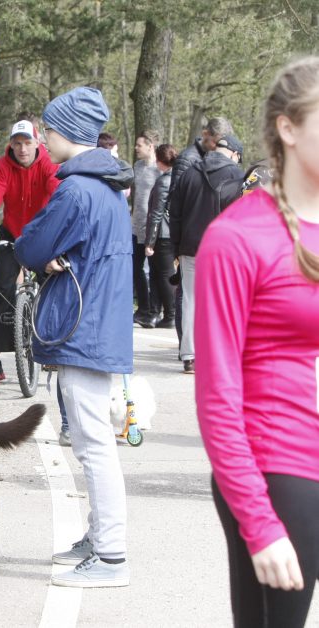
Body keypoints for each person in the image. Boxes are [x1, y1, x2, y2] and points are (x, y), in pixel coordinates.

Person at [195, 56, 319, 627]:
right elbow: (218, 395)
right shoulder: (238, 237)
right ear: (288, 129)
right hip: (276, 469)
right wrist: (260, 521)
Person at [15, 86, 134, 588]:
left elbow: (30, 245)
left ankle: (109, 556)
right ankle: (97, 539)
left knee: (93, 445)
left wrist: (41, 255)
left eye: (48, 128)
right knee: (92, 441)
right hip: (99, 325)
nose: (43, 137)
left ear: (68, 133)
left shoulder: (77, 189)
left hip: (84, 330)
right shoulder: (104, 187)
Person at [0, 120, 59, 387]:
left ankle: (49, 349)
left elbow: (58, 194)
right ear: (11, 144)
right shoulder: (1, 166)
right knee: (3, 293)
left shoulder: (48, 163)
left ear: (37, 144)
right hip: (12, 233)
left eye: (27, 143)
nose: (22, 149)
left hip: (43, 233)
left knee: (51, 289)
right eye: (17, 143)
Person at [169, 134, 244, 374]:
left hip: (191, 246)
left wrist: (176, 247)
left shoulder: (190, 173)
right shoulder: (237, 175)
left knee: (191, 300)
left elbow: (175, 213)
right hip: (224, 248)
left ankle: (190, 356)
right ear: (234, 154)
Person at [144, 143, 179, 329]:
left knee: (164, 275)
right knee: (159, 275)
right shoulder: (177, 178)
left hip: (163, 235)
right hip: (169, 233)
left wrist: (150, 241)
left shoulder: (165, 181)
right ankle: (159, 313)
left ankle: (171, 314)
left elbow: (156, 213)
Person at [132, 130, 162, 327]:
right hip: (136, 227)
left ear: (150, 146)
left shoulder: (159, 169)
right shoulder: (136, 166)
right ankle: (142, 308)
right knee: (136, 269)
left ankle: (155, 310)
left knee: (154, 270)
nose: (136, 148)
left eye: (139, 145)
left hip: (153, 229)